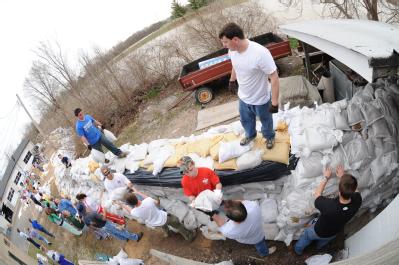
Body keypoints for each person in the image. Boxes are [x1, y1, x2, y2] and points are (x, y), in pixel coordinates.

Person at [219, 22, 280, 149]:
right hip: (243, 97)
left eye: (225, 42)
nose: (224, 45)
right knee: (246, 120)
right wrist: (232, 80)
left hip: (261, 99)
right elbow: (235, 65)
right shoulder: (233, 51)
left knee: (266, 121)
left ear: (235, 39)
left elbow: (274, 77)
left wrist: (274, 102)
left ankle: (269, 137)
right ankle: (250, 135)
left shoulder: (260, 53)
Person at [294, 165, 362, 255]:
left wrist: (326, 177)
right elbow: (355, 189)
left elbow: (317, 194)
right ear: (353, 191)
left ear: (339, 191)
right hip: (332, 233)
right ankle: (319, 248)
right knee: (323, 242)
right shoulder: (358, 201)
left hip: (317, 231)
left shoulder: (329, 206)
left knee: (306, 236)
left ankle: (298, 250)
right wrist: (343, 178)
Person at [119, 192, 196, 242]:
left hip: (155, 223)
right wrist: (138, 192)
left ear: (129, 204)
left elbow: (128, 209)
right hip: (165, 218)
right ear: (136, 197)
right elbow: (156, 202)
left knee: (163, 226)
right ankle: (189, 237)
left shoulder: (134, 212)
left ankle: (167, 233)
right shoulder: (148, 200)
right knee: (178, 225)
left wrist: (121, 204)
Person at [78, 205, 143, 242]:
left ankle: (125, 239)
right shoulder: (92, 213)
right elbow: (104, 218)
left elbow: (90, 226)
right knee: (121, 231)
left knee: (114, 233)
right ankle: (136, 238)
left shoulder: (84, 219)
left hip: (102, 228)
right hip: (106, 224)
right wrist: (104, 211)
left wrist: (98, 227)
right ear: (84, 208)